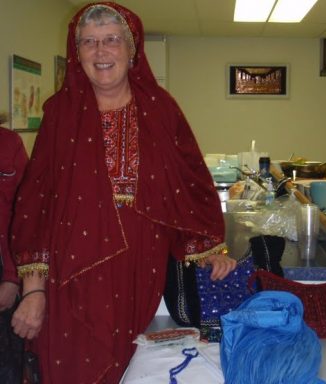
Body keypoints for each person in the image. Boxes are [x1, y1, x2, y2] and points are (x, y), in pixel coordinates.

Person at [10, 2, 236, 383]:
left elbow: (190, 180)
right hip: (71, 272)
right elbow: (37, 203)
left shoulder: (161, 109)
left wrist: (207, 248)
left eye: (112, 40)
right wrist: (33, 292)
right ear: (76, 52)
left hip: (140, 266)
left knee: (131, 366)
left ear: (132, 50)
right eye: (89, 42)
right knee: (72, 365)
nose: (101, 51)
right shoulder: (60, 113)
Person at [0, 125, 28, 383]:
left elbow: (25, 217)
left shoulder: (8, 144)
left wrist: (12, 278)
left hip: (4, 269)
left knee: (7, 365)